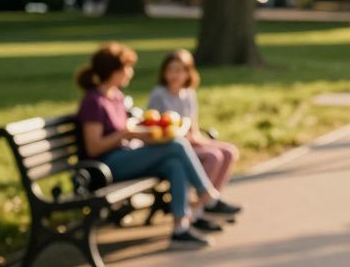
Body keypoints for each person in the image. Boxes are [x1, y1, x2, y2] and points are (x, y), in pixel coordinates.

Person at [75, 43, 239, 248]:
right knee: (177, 145)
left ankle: (180, 228)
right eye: (127, 67)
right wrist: (126, 133)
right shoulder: (94, 102)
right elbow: (94, 148)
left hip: (125, 155)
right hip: (105, 167)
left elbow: (128, 131)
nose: (130, 72)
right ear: (113, 71)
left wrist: (145, 133)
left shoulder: (116, 96)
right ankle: (208, 197)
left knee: (174, 163)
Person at [148, 49, 240, 194]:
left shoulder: (189, 94)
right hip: (173, 145)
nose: (175, 75)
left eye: (179, 71)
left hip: (191, 141)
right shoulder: (159, 95)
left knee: (230, 151)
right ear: (164, 73)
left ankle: (209, 202)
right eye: (171, 70)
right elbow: (154, 128)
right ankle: (201, 201)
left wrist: (200, 140)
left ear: (187, 73)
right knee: (213, 156)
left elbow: (193, 129)